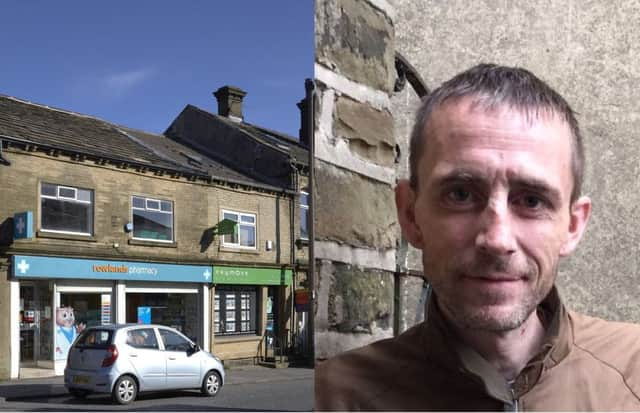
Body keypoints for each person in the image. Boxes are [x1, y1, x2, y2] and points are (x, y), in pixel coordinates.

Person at [315, 63, 640, 410]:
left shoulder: (631, 368)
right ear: (410, 215)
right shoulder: (335, 397)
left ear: (573, 226)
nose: (497, 240)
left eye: (531, 201)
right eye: (460, 195)